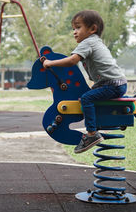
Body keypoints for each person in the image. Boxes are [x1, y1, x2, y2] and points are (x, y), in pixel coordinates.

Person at [42, 10, 127, 153]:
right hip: (117, 83)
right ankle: (116, 119)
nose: (74, 32)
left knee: (86, 98)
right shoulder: (96, 42)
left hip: (110, 84)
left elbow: (72, 61)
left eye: (78, 27)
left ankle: (91, 134)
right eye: (73, 29)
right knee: (92, 94)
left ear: (92, 29)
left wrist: (51, 63)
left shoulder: (88, 42)